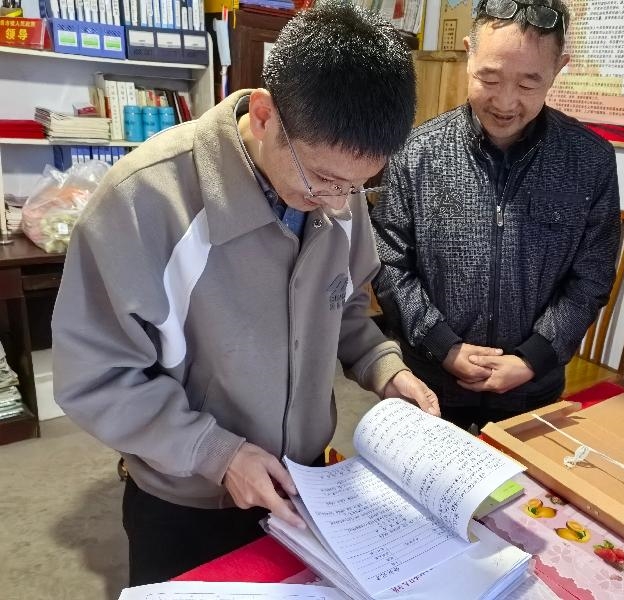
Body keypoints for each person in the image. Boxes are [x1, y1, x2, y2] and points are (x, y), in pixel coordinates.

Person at [52, 1, 438, 586]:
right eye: (323, 179)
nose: (340, 203)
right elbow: (95, 377)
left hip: (303, 485)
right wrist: (218, 453)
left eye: (359, 185)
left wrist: (384, 367)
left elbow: (344, 304)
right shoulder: (144, 202)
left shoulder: (338, 184)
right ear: (264, 115)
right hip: (186, 500)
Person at [371, 0, 620, 431]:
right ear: (469, 54)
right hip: (431, 382)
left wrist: (533, 357)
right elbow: (389, 262)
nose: (505, 102)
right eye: (489, 78)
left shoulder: (590, 160)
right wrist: (442, 345)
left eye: (528, 84)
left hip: (530, 388)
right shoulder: (417, 152)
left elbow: (592, 277)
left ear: (557, 69)